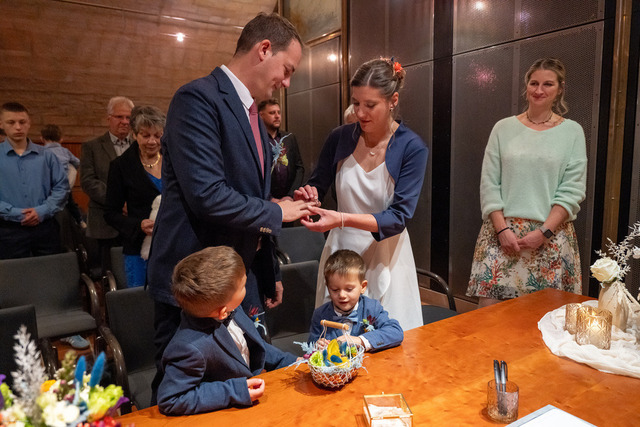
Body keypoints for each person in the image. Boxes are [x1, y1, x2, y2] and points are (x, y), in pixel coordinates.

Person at [147, 12, 313, 403]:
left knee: (247, 379)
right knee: (182, 393)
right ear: (264, 49)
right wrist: (279, 213)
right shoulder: (197, 99)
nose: (286, 83)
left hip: (239, 278)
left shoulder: (252, 112)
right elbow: (207, 194)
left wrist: (269, 267)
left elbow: (250, 195)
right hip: (196, 283)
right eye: (287, 70)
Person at [295, 58, 428, 331]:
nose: (360, 113)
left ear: (392, 101)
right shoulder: (339, 137)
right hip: (342, 253)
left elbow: (398, 218)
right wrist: (310, 195)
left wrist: (341, 219)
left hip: (386, 254)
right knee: (334, 338)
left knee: (385, 337)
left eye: (370, 105)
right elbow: (318, 183)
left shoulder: (411, 147)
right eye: (356, 103)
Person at [466, 58, 587, 308]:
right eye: (534, 83)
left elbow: (572, 190)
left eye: (548, 84)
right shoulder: (503, 128)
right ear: (526, 85)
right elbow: (489, 183)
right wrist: (502, 231)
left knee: (543, 320)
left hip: (550, 237)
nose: (539, 90)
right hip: (502, 236)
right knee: (489, 319)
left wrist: (543, 233)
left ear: (560, 89)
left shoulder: (572, 131)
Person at [157, 246, 298, 415]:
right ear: (222, 311)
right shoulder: (188, 349)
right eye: (243, 286)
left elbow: (254, 346)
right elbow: (171, 399)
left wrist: (292, 362)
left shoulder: (232, 308)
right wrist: (234, 391)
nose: (247, 287)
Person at [104, 106, 165, 287]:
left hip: (171, 245)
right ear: (134, 135)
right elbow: (110, 213)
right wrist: (138, 225)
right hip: (138, 249)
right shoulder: (121, 166)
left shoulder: (173, 161)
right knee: (141, 299)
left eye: (157, 136)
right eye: (145, 136)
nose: (152, 141)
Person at [0, 102, 68, 260]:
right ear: (1, 124)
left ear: (29, 123)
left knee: (50, 270)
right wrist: (16, 213)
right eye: (11, 122)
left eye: (22, 122)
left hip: (45, 227)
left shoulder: (47, 156)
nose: (18, 127)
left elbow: (62, 188)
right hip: (8, 230)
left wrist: (42, 211)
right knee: (14, 273)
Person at [308, 249, 403, 352]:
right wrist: (316, 346)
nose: (342, 295)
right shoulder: (320, 314)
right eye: (335, 290)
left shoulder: (372, 308)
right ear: (328, 288)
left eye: (349, 289)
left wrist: (360, 340)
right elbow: (310, 346)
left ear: (363, 286)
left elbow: (395, 332)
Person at [80, 96, 134, 268]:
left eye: (128, 117)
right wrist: (117, 201)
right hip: (105, 223)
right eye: (119, 117)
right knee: (108, 271)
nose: (124, 121)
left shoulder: (139, 146)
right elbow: (88, 181)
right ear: (108, 118)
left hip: (134, 221)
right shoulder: (92, 147)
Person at [258, 98, 304, 201]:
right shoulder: (256, 139)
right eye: (272, 113)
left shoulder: (289, 137)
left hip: (289, 199)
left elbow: (299, 168)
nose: (277, 116)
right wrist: (269, 198)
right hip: (266, 200)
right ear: (261, 115)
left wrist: (291, 195)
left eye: (279, 112)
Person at [41, 124, 85, 228]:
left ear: (42, 139)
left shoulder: (41, 152)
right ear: (61, 139)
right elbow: (77, 162)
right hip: (64, 185)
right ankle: (80, 221)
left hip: (48, 186)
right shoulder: (65, 151)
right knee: (71, 204)